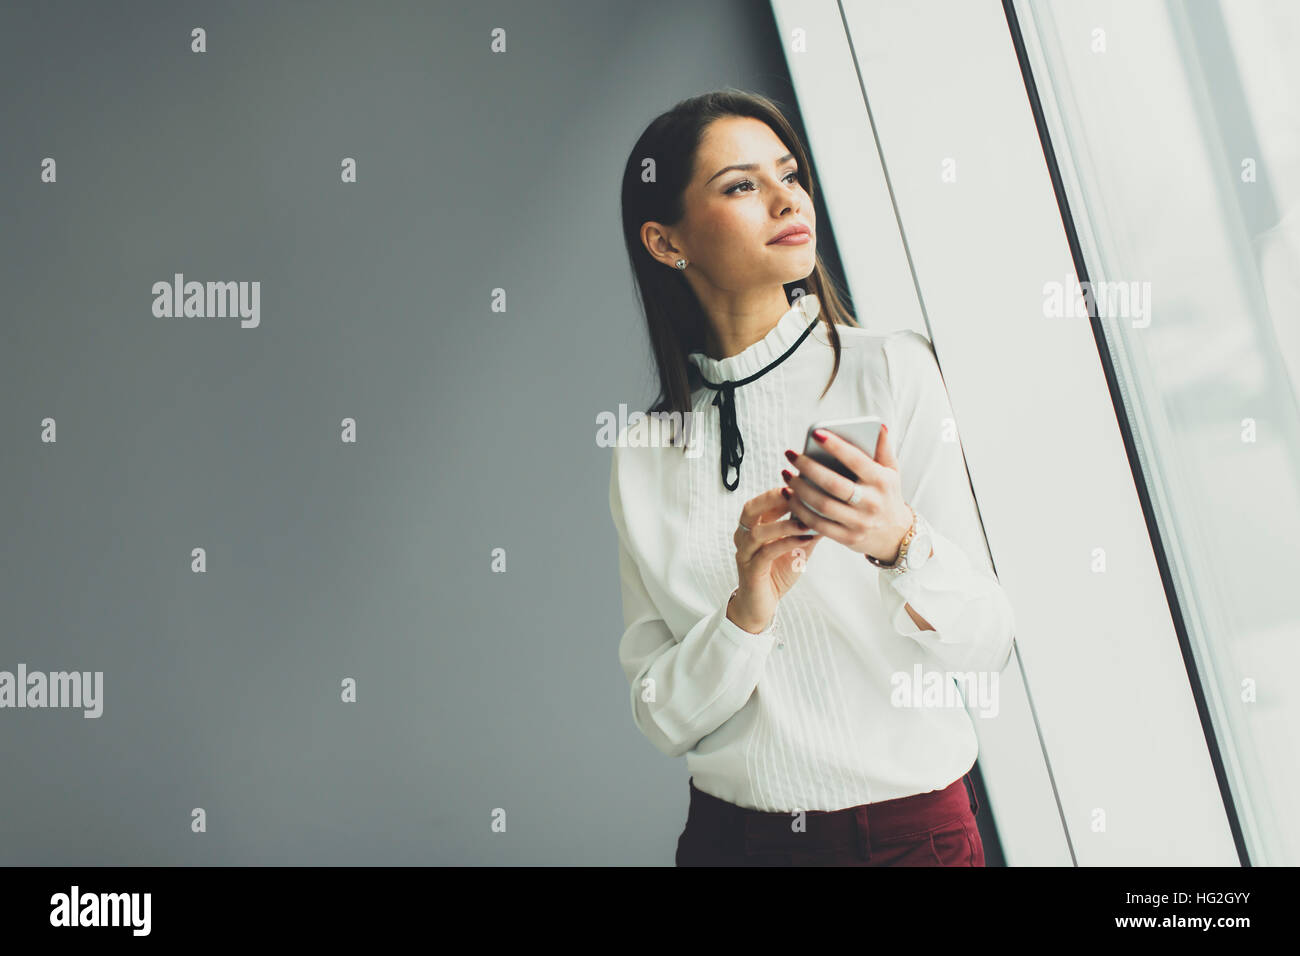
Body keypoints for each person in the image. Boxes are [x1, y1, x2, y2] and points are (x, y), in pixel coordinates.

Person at [611, 89, 1016, 866]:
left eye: (789, 174)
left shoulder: (891, 372)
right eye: (740, 185)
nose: (786, 198)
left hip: (908, 839)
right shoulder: (645, 451)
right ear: (666, 243)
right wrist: (746, 611)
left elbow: (988, 641)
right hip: (733, 842)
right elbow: (662, 717)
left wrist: (899, 543)